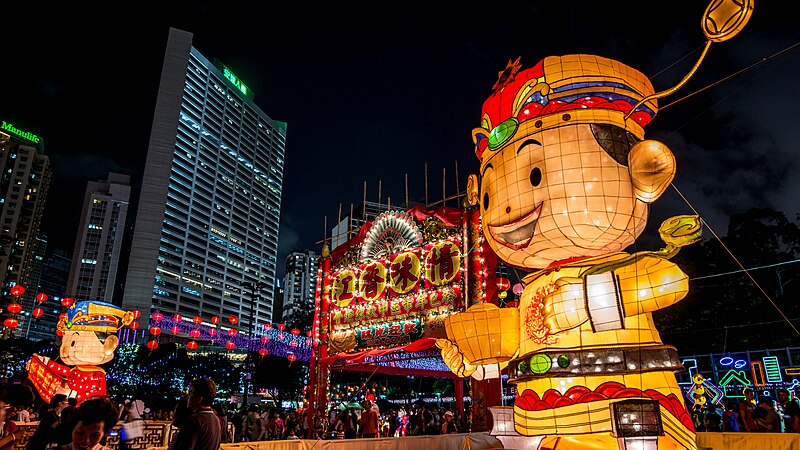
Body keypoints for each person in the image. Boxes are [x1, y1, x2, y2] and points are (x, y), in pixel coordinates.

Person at [172, 378, 221, 450]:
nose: (188, 397)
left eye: (191, 392)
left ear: (199, 398)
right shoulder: (215, 419)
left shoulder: (194, 420)